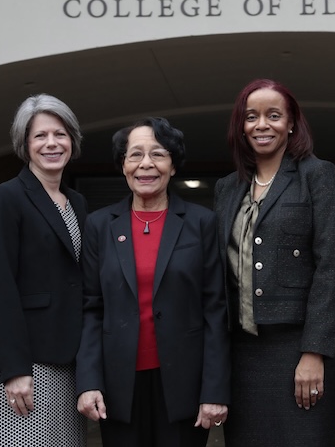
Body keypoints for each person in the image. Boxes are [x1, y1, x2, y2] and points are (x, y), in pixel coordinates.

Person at [75, 116, 230, 447]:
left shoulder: (201, 222)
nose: (146, 164)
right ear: (123, 165)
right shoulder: (100, 225)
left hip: (184, 387)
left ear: (173, 166)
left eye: (158, 154)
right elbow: (91, 308)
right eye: (135, 155)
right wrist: (88, 381)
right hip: (118, 389)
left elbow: (215, 309)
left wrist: (214, 389)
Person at [214, 78, 335, 447]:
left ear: (291, 123)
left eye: (274, 116)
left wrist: (314, 352)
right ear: (241, 127)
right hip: (241, 352)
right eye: (252, 117)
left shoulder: (318, 175)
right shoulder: (227, 187)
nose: (262, 125)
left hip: (297, 350)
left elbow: (332, 268)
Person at [0, 94, 88, 447]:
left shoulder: (77, 202)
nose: (52, 144)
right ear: (25, 145)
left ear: (72, 139)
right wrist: (14, 370)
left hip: (68, 359)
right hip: (26, 362)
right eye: (40, 136)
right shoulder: (6, 197)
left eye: (60, 134)